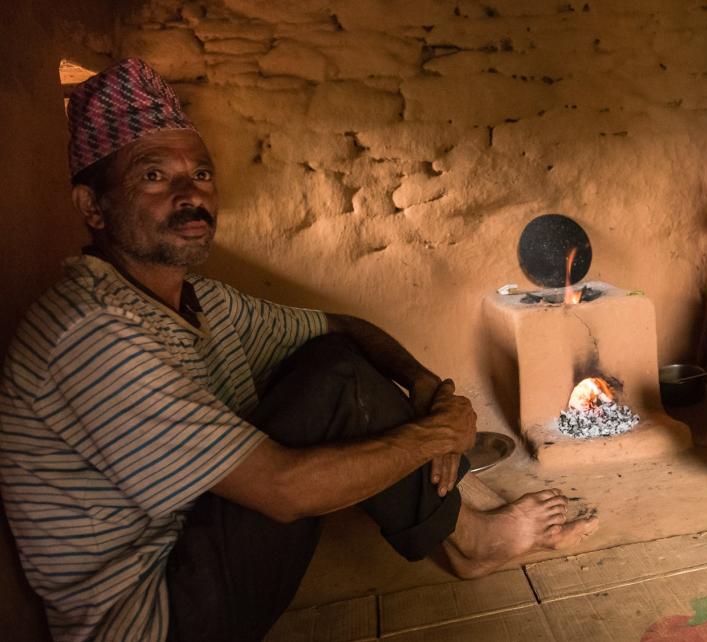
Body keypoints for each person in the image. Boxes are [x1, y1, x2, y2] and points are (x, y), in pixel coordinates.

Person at [0, 58, 597, 642]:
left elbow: (338, 327)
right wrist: (438, 432)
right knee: (336, 387)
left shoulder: (198, 301)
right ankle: (472, 542)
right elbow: (284, 492)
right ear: (91, 207)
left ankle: (462, 534)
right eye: (153, 176)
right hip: (156, 613)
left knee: (333, 362)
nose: (190, 195)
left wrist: (421, 384)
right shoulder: (92, 334)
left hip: (194, 543)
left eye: (201, 174)